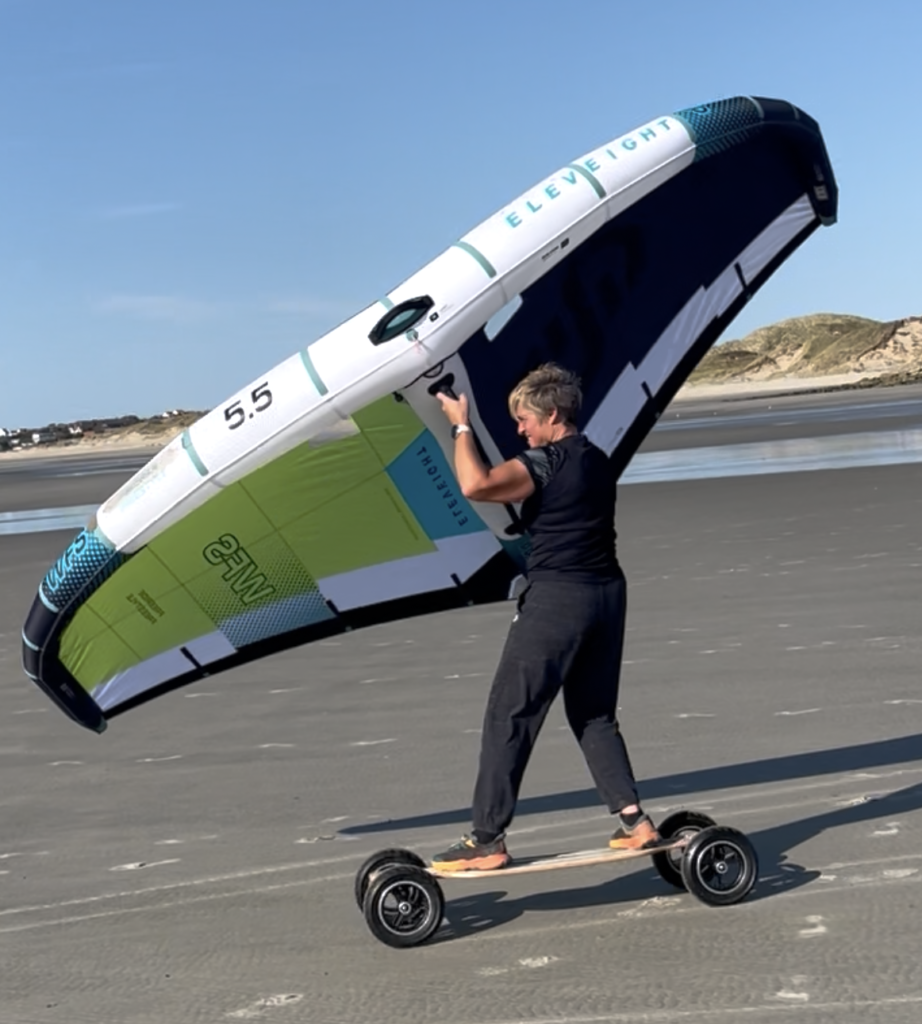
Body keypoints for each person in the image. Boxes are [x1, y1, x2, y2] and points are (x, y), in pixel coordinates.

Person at [430, 362, 659, 871]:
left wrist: (461, 426)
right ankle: (635, 822)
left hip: (558, 600)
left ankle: (487, 839)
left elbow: (476, 485)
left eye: (525, 420)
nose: (520, 430)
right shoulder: (596, 458)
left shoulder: (545, 462)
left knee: (509, 714)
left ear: (552, 415)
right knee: (594, 715)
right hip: (607, 595)